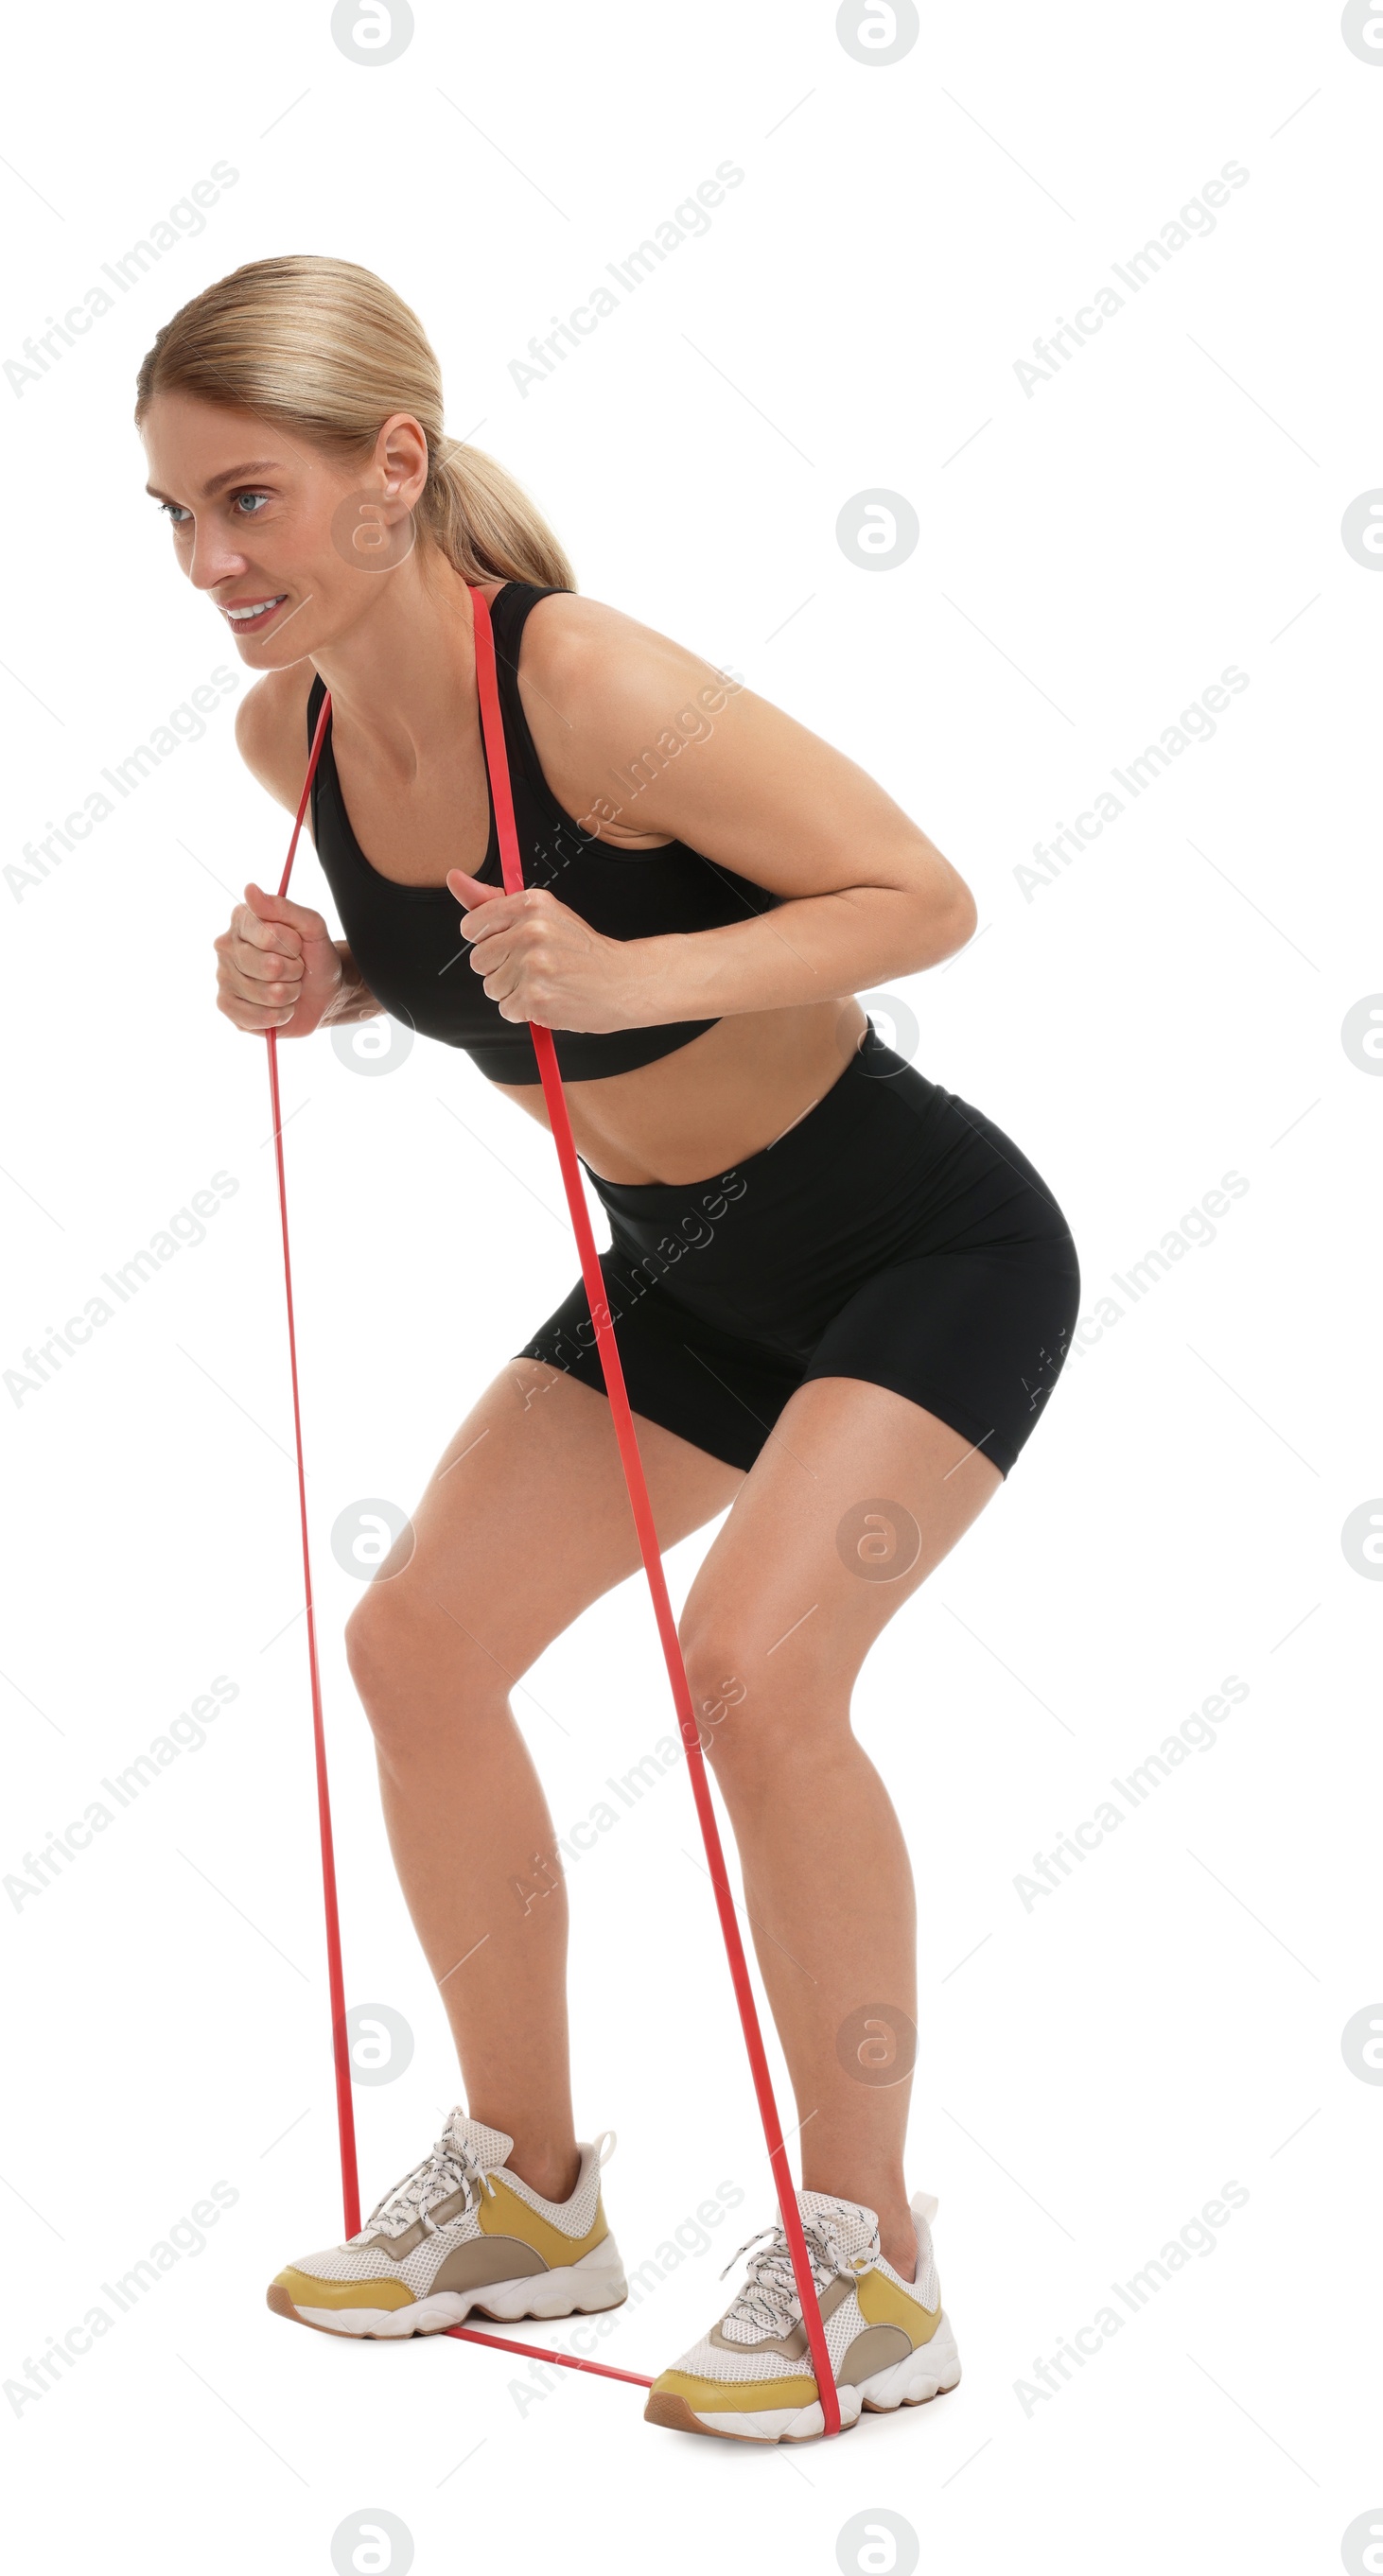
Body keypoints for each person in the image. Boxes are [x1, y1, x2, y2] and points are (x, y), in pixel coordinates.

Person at [135, 254, 1080, 2445]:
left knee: (748, 1670)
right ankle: (530, 2200)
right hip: (689, 1274)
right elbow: (487, 968)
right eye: (175, 515)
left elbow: (913, 896)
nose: (209, 564)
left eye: (247, 502)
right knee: (416, 1646)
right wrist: (332, 986)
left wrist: (632, 976)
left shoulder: (580, 684)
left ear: (390, 474)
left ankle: (869, 2274)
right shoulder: (292, 741)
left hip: (914, 1244)